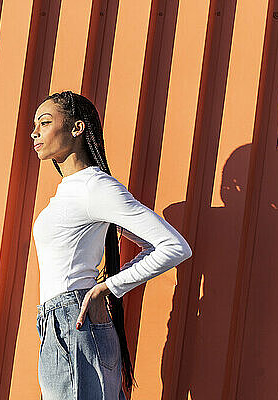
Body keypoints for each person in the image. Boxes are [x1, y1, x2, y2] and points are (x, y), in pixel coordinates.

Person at [31, 90, 192, 399]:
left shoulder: (95, 186)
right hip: (59, 323)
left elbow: (173, 246)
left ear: (77, 128)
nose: (35, 132)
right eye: (34, 125)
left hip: (73, 320)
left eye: (46, 122)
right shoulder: (73, 190)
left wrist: (108, 287)